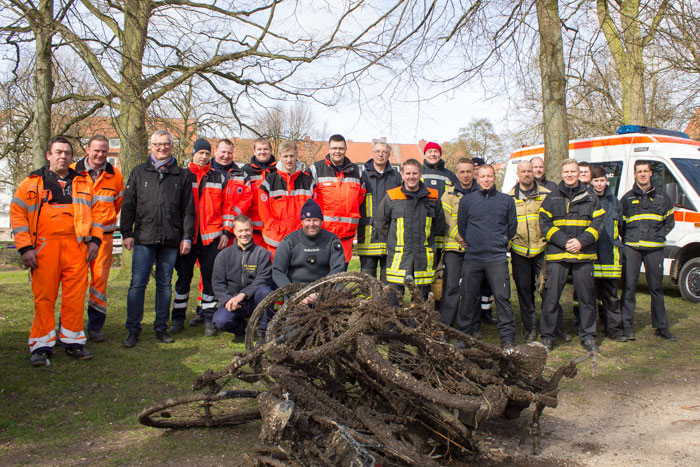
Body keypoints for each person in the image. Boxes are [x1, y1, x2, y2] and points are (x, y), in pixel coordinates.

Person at [11, 136, 102, 365]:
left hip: (76, 248)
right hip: (43, 249)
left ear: (72, 157)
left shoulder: (83, 182)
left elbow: (98, 214)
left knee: (74, 298)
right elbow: (18, 215)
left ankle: (73, 342)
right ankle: (41, 346)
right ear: (49, 155)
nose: (63, 156)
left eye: (67, 153)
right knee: (44, 298)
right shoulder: (31, 183)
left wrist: (94, 242)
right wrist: (25, 248)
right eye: (58, 152)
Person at [120, 130, 196, 348]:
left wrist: (187, 237)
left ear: (172, 146)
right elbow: (128, 205)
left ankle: (161, 328)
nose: (162, 148)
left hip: (171, 239)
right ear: (150, 146)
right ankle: (133, 329)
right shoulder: (138, 172)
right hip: (143, 238)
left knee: (164, 285)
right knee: (137, 284)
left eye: (166, 144)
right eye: (157, 144)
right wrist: (126, 233)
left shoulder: (182, 175)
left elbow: (188, 210)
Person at [171, 139, 245, 337]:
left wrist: (227, 231)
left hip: (211, 237)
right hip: (187, 238)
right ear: (193, 153)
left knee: (210, 280)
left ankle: (209, 317)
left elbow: (228, 208)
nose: (203, 156)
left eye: (206, 153)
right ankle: (178, 317)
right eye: (200, 153)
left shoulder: (218, 177)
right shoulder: (183, 175)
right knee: (183, 278)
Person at [539, 159, 604, 352]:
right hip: (558, 255)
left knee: (587, 299)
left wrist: (581, 242)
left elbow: (598, 224)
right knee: (551, 298)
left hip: (583, 255)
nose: (569, 174)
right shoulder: (551, 198)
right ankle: (548, 337)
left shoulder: (592, 198)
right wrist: (563, 241)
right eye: (566, 171)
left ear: (580, 173)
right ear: (561, 173)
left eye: (573, 171)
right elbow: (544, 224)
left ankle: (588, 336)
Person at [187, 138, 252, 327]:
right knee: (207, 272)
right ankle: (203, 309)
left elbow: (246, 199)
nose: (226, 156)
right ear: (215, 152)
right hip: (213, 232)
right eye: (222, 152)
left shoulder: (241, 173)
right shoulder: (207, 172)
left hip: (234, 232)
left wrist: (231, 221)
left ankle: (227, 307)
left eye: (229, 152)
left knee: (232, 271)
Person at [456, 164, 517, 348]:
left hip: (497, 257)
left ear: (494, 177)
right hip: (473, 256)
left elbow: (511, 227)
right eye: (482, 176)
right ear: (477, 177)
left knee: (502, 297)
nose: (486, 180)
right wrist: (475, 242)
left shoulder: (506, 201)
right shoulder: (467, 201)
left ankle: (507, 339)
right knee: (468, 297)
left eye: (489, 176)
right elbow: (462, 227)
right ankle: (464, 336)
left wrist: (499, 242)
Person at [70, 135, 124, 343]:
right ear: (87, 149)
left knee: (99, 283)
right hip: (79, 238)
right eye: (96, 150)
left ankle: (95, 327)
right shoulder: (74, 171)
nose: (101, 154)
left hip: (104, 238)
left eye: (104, 151)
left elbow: (117, 204)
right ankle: (70, 326)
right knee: (75, 282)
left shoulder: (115, 175)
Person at [374, 159, 446, 304]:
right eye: (408, 173)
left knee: (421, 297)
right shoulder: (392, 196)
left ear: (420, 174)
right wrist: (393, 239)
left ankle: (417, 325)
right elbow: (381, 222)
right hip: (399, 255)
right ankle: (394, 325)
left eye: (414, 173)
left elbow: (439, 225)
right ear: (402, 174)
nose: (411, 177)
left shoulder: (432, 196)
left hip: (423, 255)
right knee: (394, 295)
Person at [619, 160, 677, 341]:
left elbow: (670, 222)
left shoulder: (663, 198)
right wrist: (630, 239)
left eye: (645, 171)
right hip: (632, 249)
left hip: (654, 250)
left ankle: (662, 326)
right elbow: (621, 225)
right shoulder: (627, 199)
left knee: (657, 288)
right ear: (635, 174)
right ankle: (626, 326)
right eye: (639, 171)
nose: (642, 174)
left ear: (651, 173)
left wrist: (658, 236)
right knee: (629, 288)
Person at [507, 160, 550, 342]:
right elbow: (504, 224)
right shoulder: (509, 198)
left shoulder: (547, 195)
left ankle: (550, 329)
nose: (527, 174)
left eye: (530, 171)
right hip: (519, 251)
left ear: (535, 173)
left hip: (542, 249)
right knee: (524, 291)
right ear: (518, 174)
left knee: (548, 290)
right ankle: (530, 327)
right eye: (523, 171)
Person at [307, 134, 366, 265]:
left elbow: (360, 198)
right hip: (322, 234)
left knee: (341, 276)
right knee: (320, 277)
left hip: (346, 235)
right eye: (334, 148)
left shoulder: (357, 171)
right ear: (329, 149)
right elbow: (306, 199)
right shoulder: (316, 170)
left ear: (346, 149)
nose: (337, 151)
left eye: (340, 148)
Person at [211, 215, 272, 337]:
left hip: (255, 300)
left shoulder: (262, 253)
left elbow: (262, 279)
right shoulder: (224, 255)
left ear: (251, 229)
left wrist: (242, 295)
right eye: (240, 230)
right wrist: (228, 300)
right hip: (233, 301)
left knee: (266, 291)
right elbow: (218, 283)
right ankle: (239, 329)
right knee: (220, 321)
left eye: (247, 230)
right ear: (234, 231)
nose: (244, 234)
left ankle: (263, 331)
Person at [272, 198, 346, 288]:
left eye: (315, 220)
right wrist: (294, 293)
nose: (312, 224)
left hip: (325, 290)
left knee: (342, 290)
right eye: (308, 220)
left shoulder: (332, 240)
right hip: (295, 291)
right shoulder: (289, 241)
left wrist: (322, 291)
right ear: (302, 221)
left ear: (321, 221)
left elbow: (337, 269)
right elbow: (277, 271)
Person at [356, 140, 402, 282]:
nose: (380, 155)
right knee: (367, 278)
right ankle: (369, 304)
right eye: (377, 151)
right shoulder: (362, 176)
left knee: (387, 277)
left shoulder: (396, 177)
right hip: (368, 232)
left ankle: (386, 304)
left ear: (389, 155)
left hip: (389, 233)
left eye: (384, 152)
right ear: (372, 154)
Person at [258, 141, 315, 255]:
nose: (289, 160)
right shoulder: (268, 183)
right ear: (279, 156)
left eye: (292, 156)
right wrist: (279, 231)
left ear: (296, 155)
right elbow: (265, 216)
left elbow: (314, 211)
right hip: (276, 242)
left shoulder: (309, 182)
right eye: (285, 156)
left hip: (302, 240)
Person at [589, 166, 625, 341]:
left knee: (611, 296)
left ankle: (615, 330)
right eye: (596, 181)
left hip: (610, 255)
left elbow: (621, 227)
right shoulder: (587, 200)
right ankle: (591, 330)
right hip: (592, 255)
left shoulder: (615, 201)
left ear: (607, 181)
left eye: (602, 180)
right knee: (590, 296)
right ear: (591, 182)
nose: (599, 184)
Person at [440, 158, 476, 327]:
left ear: (474, 172)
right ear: (457, 173)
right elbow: (445, 220)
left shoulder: (481, 193)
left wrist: (473, 240)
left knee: (472, 288)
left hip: (476, 249)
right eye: (462, 172)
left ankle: (470, 326)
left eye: (469, 171)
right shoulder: (448, 194)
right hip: (454, 247)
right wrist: (460, 238)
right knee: (451, 287)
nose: (466, 175)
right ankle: (447, 325)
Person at [241, 138, 277, 247]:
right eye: (259, 149)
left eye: (266, 149)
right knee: (253, 261)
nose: (262, 152)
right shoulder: (244, 171)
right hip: (252, 229)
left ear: (271, 151)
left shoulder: (279, 171)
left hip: (274, 227)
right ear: (254, 151)